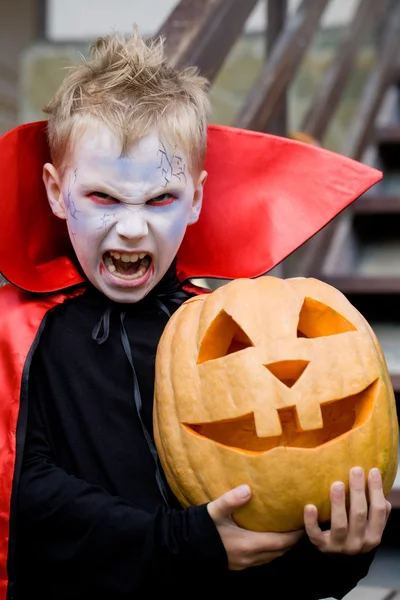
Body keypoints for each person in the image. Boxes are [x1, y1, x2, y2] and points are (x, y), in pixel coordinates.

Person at [0, 27, 391, 600]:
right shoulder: (23, 338)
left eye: (160, 199)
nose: (133, 227)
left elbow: (261, 527)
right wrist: (179, 542)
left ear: (198, 198)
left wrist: (337, 554)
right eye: (102, 197)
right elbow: (27, 500)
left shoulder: (219, 335)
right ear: (57, 192)